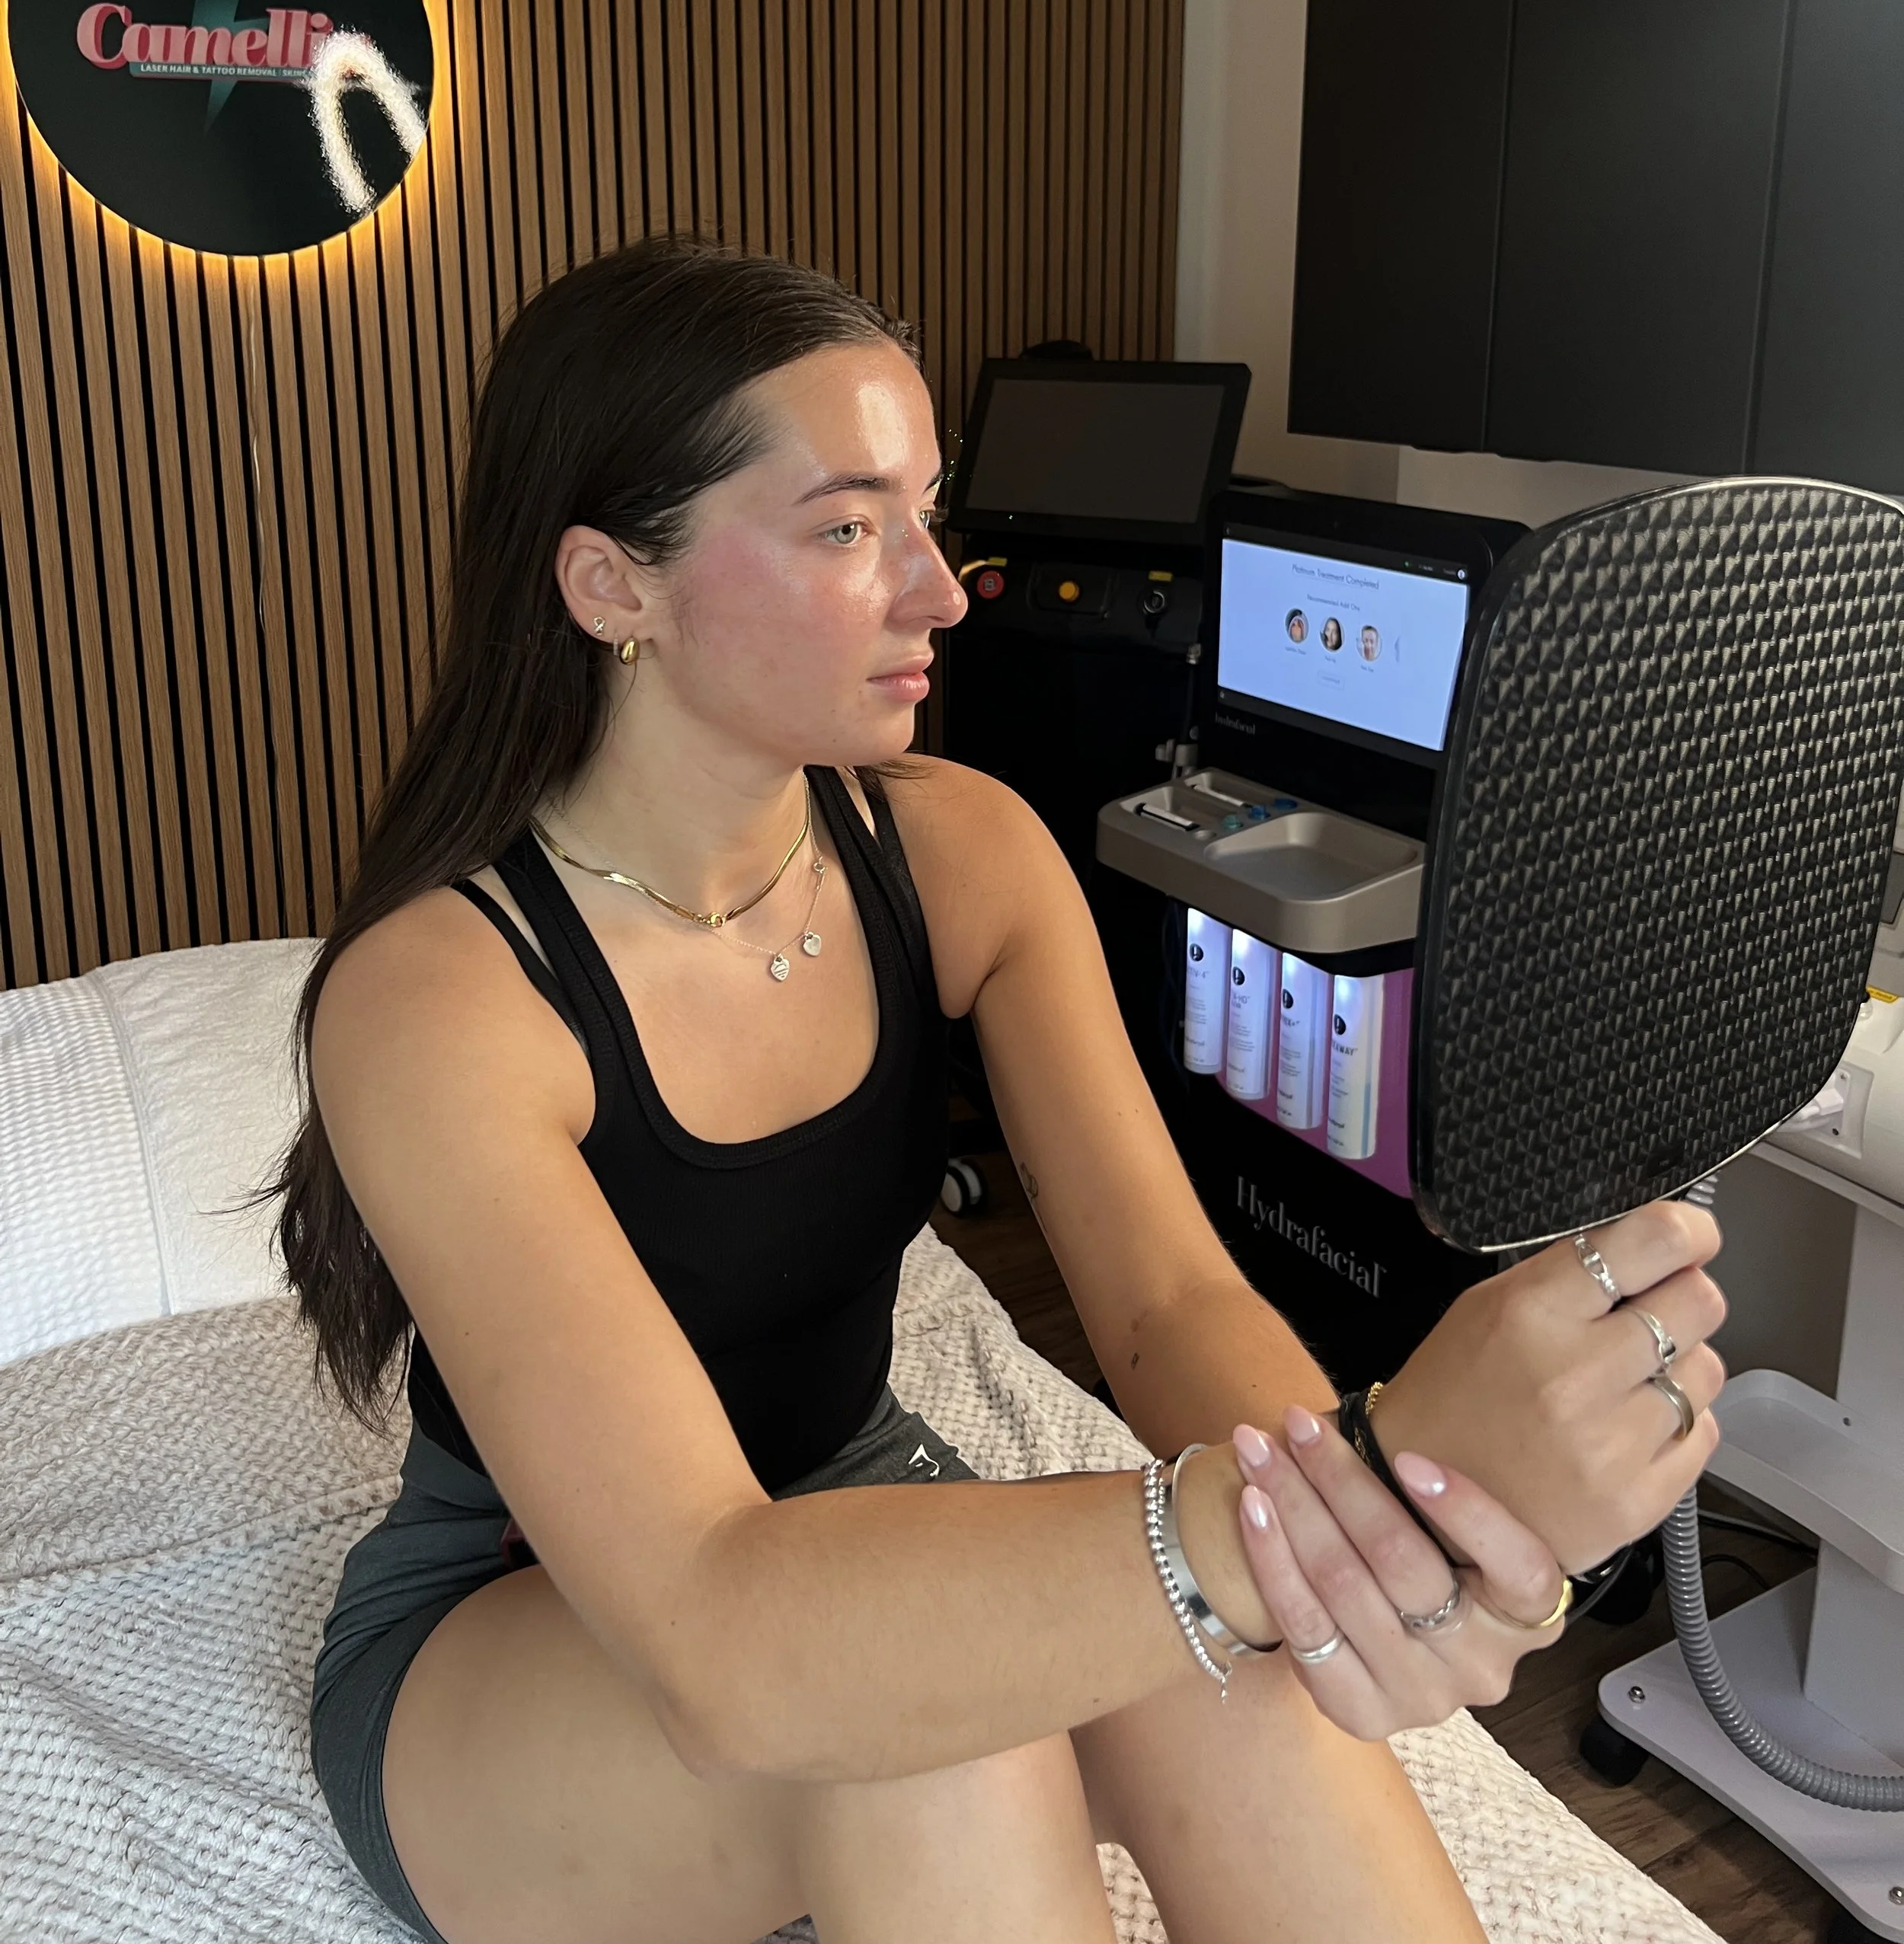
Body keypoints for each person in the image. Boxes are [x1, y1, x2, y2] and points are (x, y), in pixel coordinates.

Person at [280, 241, 1726, 1944]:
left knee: (1230, 1660)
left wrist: (1344, 1538)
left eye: (926, 508)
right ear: (614, 587)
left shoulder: (961, 850)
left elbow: (1170, 1300)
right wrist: (1357, 1476)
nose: (942, 590)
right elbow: (721, 1636)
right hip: (527, 1629)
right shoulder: (439, 1001)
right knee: (931, 1743)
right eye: (842, 526)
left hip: (853, 1507)